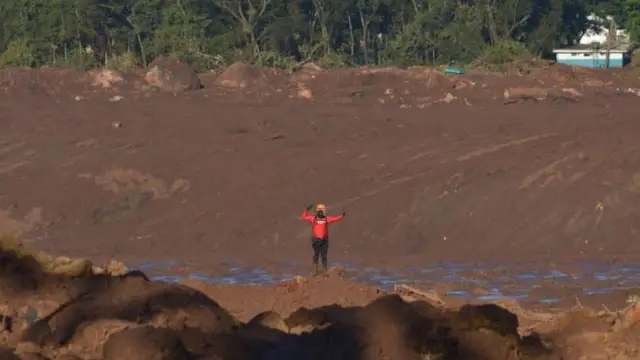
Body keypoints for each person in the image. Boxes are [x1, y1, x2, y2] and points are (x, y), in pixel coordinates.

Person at [301, 203, 346, 275]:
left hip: (324, 240)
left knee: (323, 256)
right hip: (316, 240)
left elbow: (335, 218)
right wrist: (306, 210)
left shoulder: (326, 219)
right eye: (320, 210)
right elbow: (303, 216)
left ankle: (324, 271)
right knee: (316, 255)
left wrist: (342, 215)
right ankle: (315, 271)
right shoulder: (313, 219)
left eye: (322, 210)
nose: (321, 212)